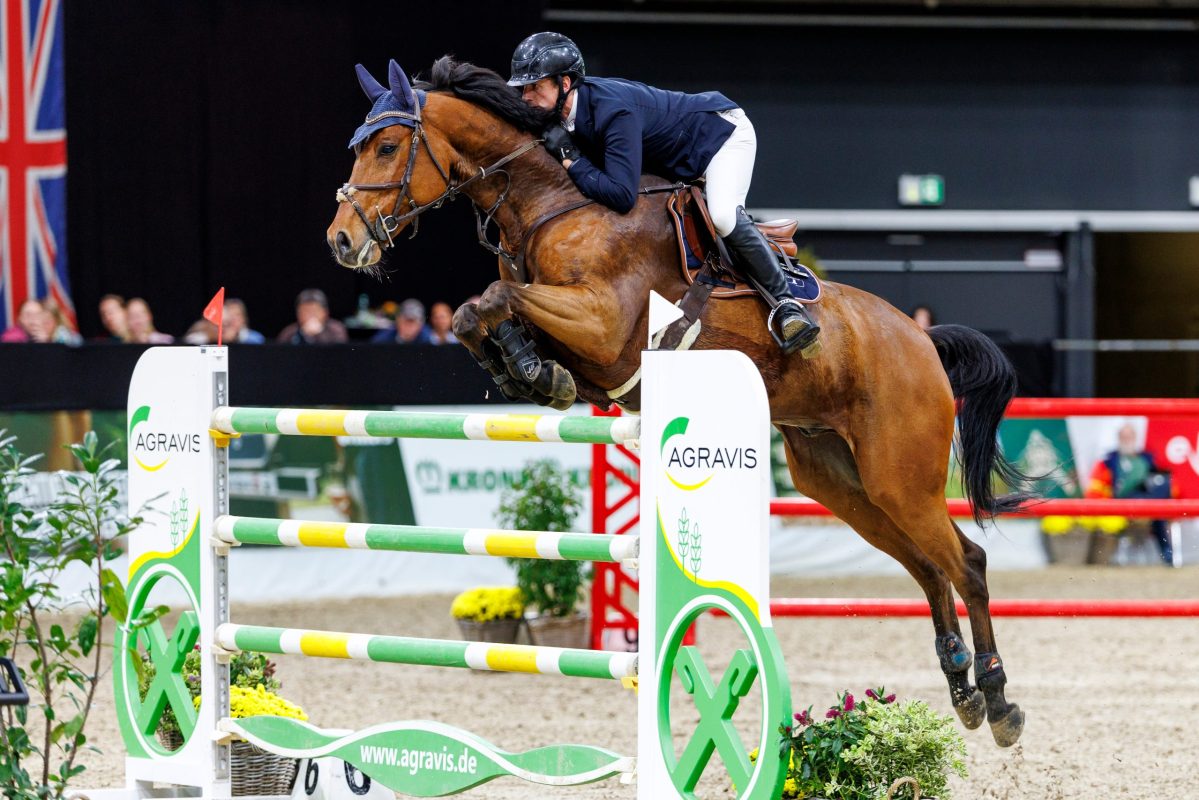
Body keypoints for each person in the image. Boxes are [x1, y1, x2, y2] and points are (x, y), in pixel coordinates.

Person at [508, 31, 817, 354]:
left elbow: (621, 195)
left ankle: (787, 305)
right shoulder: (561, 115)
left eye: (535, 86)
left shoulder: (614, 111)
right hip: (679, 159)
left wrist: (571, 160)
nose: (527, 96)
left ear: (566, 83)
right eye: (524, 88)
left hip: (720, 140)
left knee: (723, 215)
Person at [1084, 423, 1175, 566]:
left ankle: (1168, 556)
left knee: (1159, 505)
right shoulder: (1108, 462)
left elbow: (1162, 479)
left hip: (1147, 499)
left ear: (1135, 438)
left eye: (1129, 436)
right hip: (1123, 501)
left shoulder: (1147, 460)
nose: (1127, 439)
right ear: (1118, 438)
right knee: (1155, 507)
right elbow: (1095, 490)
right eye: (1123, 436)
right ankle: (1167, 554)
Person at [277, 288, 348, 344]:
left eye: (314, 311)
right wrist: (303, 334)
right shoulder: (289, 333)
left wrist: (319, 333)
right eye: (305, 311)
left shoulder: (336, 330)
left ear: (325, 313)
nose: (310, 315)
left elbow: (339, 353)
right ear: (298, 313)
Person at [371, 298, 435, 344]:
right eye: (406, 321)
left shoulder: (429, 339)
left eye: (412, 322)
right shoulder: (384, 338)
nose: (409, 326)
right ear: (398, 321)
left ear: (420, 325)